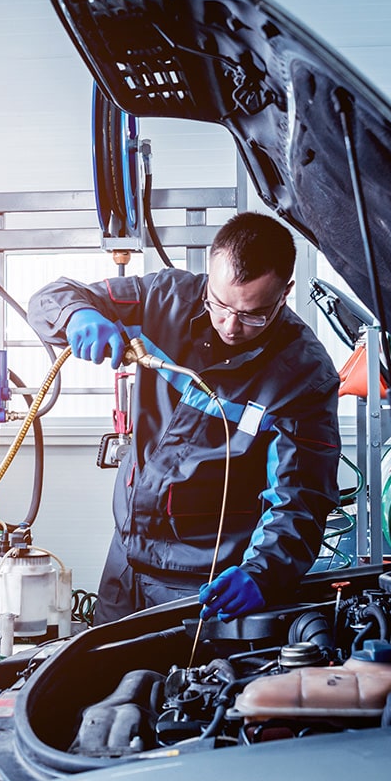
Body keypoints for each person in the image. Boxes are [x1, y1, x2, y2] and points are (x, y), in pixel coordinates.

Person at [27, 212, 340, 625]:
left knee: (186, 689)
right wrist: (76, 316)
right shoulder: (165, 299)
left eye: (253, 314)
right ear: (209, 275)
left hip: (204, 583)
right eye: (221, 303)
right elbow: (53, 296)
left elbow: (299, 497)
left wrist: (262, 574)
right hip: (124, 563)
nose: (231, 325)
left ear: (285, 294)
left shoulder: (303, 375)